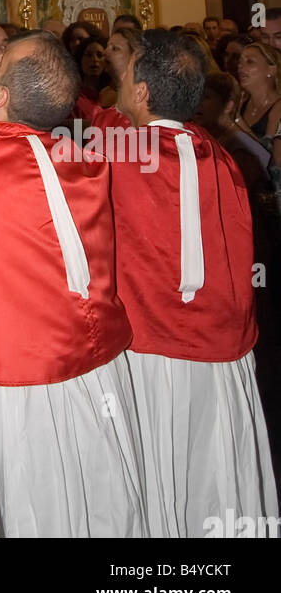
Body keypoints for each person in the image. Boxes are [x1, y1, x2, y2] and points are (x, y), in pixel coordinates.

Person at [0, 31, 145, 537]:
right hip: (101, 370)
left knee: (18, 506)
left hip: (12, 386)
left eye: (0, 62)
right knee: (102, 504)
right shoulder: (89, 163)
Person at [108, 30, 278, 536]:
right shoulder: (223, 157)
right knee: (215, 473)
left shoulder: (118, 157)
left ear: (141, 93)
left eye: (125, 72)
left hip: (151, 349)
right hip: (222, 350)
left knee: (160, 479)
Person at [236, 43, 281, 149]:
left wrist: (238, 121)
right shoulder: (241, 102)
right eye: (240, 61)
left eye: (250, 61)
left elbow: (269, 156)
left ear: (271, 70)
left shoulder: (278, 108)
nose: (240, 66)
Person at [101, 24, 141, 109]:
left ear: (134, 56)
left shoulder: (144, 98)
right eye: (107, 47)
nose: (104, 52)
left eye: (115, 48)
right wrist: (77, 123)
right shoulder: (104, 94)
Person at [72, 34, 109, 123]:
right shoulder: (74, 99)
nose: (95, 59)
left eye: (99, 55)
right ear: (80, 59)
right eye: (89, 55)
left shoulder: (112, 95)